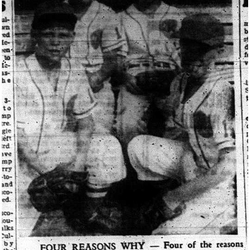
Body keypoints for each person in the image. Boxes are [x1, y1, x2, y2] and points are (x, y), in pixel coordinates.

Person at [16, 0, 126, 237]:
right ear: (35, 35)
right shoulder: (18, 72)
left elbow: (86, 123)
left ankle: (87, 212)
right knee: (17, 231)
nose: (56, 42)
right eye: (49, 34)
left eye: (63, 35)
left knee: (107, 145)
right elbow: (17, 137)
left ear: (72, 37)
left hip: (60, 148)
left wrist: (77, 164)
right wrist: (47, 172)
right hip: (24, 158)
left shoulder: (75, 68)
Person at [127, 14, 236, 234]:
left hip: (221, 183)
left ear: (220, 51)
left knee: (166, 235)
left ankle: (225, 216)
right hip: (195, 163)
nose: (194, 55)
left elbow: (228, 167)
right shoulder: (182, 81)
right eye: (189, 47)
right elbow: (188, 135)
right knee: (138, 147)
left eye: (203, 49)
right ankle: (180, 197)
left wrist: (173, 197)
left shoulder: (223, 90)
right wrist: (188, 168)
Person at [115, 0, 185, 146]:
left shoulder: (176, 15)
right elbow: (117, 59)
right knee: (127, 124)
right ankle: (134, 166)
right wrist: (123, 77)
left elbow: (184, 56)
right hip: (134, 78)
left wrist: (179, 83)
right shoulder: (121, 18)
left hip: (170, 77)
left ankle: (170, 165)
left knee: (179, 122)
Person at [67, 0, 127, 134]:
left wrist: (97, 77)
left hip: (96, 85)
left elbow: (113, 59)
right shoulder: (57, 10)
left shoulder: (107, 14)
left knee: (100, 136)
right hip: (63, 83)